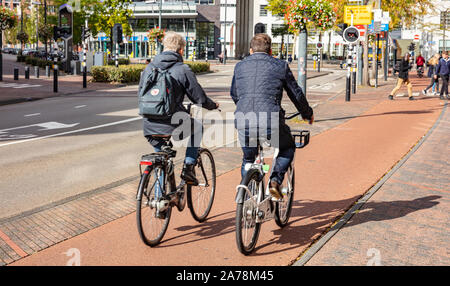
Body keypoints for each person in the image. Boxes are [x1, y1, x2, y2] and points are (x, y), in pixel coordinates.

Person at [230, 33, 314, 199]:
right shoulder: (280, 65)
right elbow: (295, 93)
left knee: (248, 158)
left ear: (251, 50)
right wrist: (307, 113)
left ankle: (246, 194)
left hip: (244, 120)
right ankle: (275, 181)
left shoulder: (239, 66)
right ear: (270, 51)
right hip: (270, 121)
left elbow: (234, 93)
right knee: (287, 147)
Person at [138, 31, 219, 185]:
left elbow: (141, 94)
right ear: (181, 50)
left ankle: (160, 204)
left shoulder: (149, 68)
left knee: (160, 156)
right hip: (173, 122)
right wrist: (212, 105)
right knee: (198, 128)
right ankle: (188, 167)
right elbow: (199, 98)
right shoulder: (183, 69)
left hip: (148, 125)